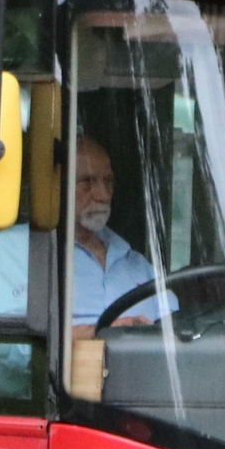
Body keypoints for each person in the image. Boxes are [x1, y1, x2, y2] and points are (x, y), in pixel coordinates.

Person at [70, 134, 168, 332]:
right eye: (87, 182)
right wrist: (101, 333)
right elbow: (7, 348)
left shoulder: (136, 264)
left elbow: (178, 328)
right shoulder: (18, 251)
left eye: (108, 182)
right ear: (54, 184)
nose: (103, 195)